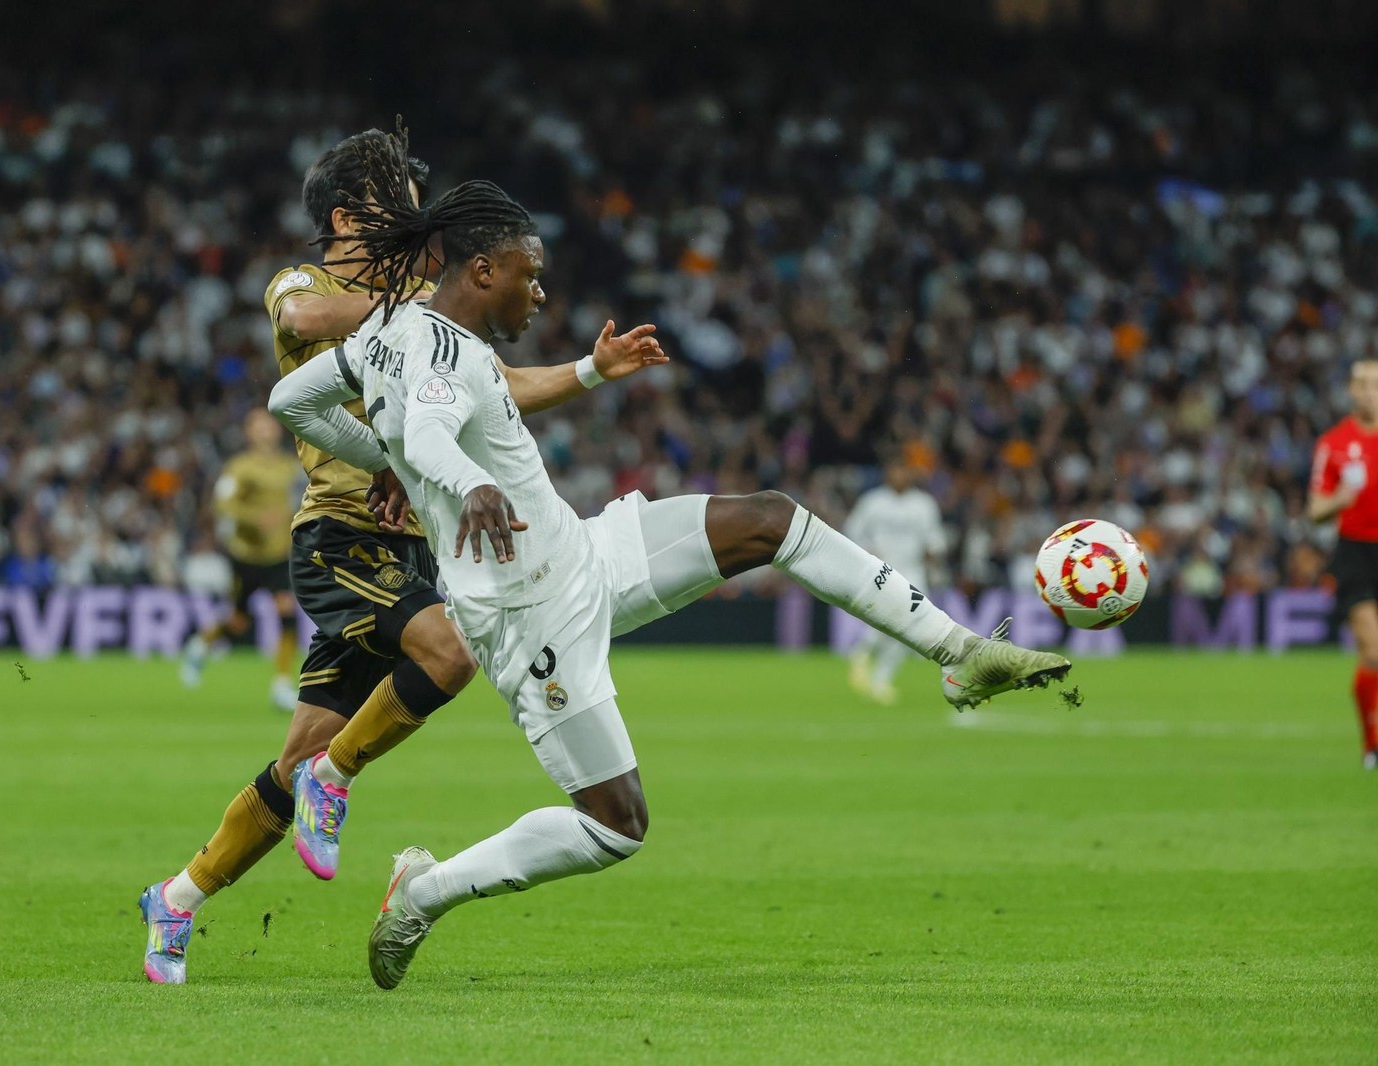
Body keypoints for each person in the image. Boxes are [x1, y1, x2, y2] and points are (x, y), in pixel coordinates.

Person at [269, 128, 1072, 989]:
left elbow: (293, 398)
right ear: (482, 272)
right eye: (529, 273)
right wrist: (461, 486)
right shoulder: (441, 352)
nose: (540, 291)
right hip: (526, 617)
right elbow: (428, 428)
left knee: (770, 518)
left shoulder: (395, 334)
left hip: (584, 551)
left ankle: (960, 656)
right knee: (617, 826)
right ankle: (424, 893)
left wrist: (385, 454)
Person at [138, 122, 668, 985]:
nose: (418, 226)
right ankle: (336, 781)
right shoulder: (304, 283)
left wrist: (591, 372)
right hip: (340, 535)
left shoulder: (423, 308)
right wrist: (421, 311)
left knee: (294, 760)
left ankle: (177, 899)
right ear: (348, 216)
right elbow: (306, 320)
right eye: (401, 206)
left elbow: (492, 385)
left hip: (411, 545)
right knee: (445, 653)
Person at [179, 408, 305, 710]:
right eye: (258, 425)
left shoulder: (289, 466)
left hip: (278, 555)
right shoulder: (240, 467)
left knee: (286, 612)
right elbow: (223, 504)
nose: (266, 430)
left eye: (269, 424)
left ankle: (282, 684)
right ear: (249, 432)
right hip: (246, 555)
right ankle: (200, 645)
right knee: (238, 621)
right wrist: (254, 519)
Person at [1308, 359, 1378, 771]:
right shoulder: (1333, 443)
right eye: (1362, 384)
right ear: (1350, 391)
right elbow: (1315, 508)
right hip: (1355, 553)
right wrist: (1343, 497)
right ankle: (1372, 745)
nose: (1369, 390)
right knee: (1373, 649)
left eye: (1375, 384)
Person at [843, 458, 948, 704]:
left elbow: (935, 540)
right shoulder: (873, 502)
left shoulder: (924, 504)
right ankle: (865, 655)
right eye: (894, 468)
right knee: (893, 620)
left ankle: (876, 672)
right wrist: (867, 552)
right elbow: (852, 531)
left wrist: (933, 553)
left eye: (902, 469)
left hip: (914, 573)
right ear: (887, 472)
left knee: (909, 629)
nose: (898, 474)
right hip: (882, 571)